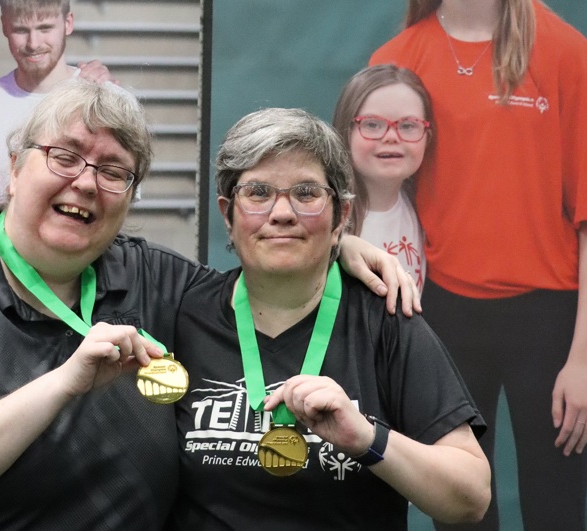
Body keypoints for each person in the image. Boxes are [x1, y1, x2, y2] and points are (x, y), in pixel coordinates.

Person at [0, 80, 421, 529]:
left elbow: (262, 269)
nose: (86, 183)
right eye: (65, 157)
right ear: (13, 169)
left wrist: (334, 241)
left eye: (113, 172)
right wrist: (66, 380)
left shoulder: (152, 276)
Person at [168, 108, 490, 530]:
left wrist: (365, 438)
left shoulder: (385, 319)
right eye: (259, 192)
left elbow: (471, 497)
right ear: (228, 214)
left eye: (305, 193)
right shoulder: (181, 311)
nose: (281, 213)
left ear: (340, 215)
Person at [369, 1, 587, 529]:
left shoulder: (565, 52)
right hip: (441, 314)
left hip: (552, 321)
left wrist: (582, 359)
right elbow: (370, 194)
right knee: (461, 511)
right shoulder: (398, 57)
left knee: (556, 505)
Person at [0, 0, 121, 202]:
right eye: (21, 30)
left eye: (45, 28)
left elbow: (117, 199)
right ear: (4, 26)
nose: (33, 43)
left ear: (68, 23)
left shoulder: (109, 99)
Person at [332, 64, 432, 290]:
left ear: (427, 136)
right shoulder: (327, 220)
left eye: (408, 126)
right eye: (372, 124)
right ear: (345, 132)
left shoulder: (422, 208)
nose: (391, 137)